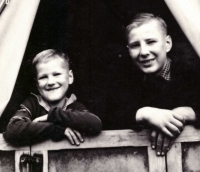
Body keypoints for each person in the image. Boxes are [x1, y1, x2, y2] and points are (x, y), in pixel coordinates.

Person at [119, 13, 200, 155]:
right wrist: (144, 114)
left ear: (167, 43)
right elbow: (106, 114)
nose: (143, 52)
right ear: (128, 50)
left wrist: (187, 113)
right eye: (135, 45)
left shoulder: (192, 73)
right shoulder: (125, 80)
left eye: (151, 42)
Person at [3, 49, 102, 146]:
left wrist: (52, 116)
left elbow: (95, 123)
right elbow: (13, 129)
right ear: (37, 84)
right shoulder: (32, 103)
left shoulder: (74, 105)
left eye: (57, 74)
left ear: (70, 77)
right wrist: (56, 129)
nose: (50, 82)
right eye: (43, 77)